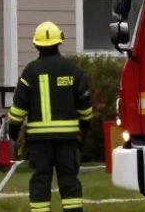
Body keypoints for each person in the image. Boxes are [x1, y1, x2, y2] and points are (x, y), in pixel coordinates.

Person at [6, 21, 92, 212]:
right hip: (68, 140)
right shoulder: (73, 71)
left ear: (36, 44)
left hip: (39, 141)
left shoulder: (30, 71)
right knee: (69, 179)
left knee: (40, 180)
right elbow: (85, 104)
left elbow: (19, 105)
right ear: (59, 42)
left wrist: (14, 127)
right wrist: (85, 126)